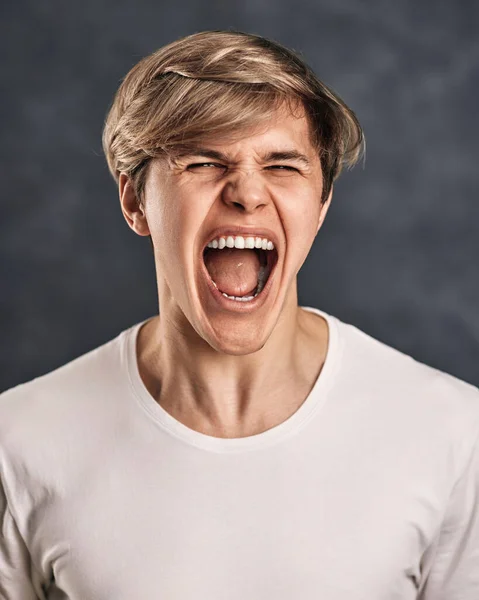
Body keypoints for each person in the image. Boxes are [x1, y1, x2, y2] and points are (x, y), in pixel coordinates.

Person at [0, 29, 478, 600]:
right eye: (203, 161)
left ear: (322, 203)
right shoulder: (18, 441)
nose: (246, 193)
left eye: (282, 166)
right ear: (134, 200)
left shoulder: (451, 433)